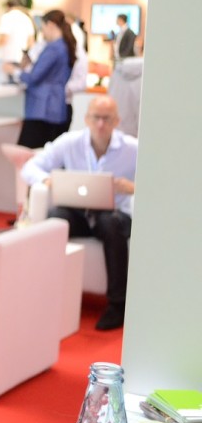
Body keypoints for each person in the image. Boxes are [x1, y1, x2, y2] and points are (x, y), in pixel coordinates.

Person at [21, 95, 136, 331]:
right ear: (87, 119)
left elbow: (159, 181)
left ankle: (118, 304)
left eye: (107, 119)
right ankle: (41, 293)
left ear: (117, 121)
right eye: (96, 118)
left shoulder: (132, 149)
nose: (101, 124)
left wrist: (132, 188)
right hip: (79, 212)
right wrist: (47, 179)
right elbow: (30, 167)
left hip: (115, 214)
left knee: (111, 223)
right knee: (55, 219)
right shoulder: (70, 142)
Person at [5, 9, 76, 149]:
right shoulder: (64, 46)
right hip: (53, 107)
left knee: (27, 152)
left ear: (50, 25)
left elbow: (34, 77)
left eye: (43, 29)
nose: (43, 33)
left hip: (42, 108)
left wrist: (14, 71)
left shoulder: (54, 48)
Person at [0, 0, 36, 84]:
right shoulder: (26, 18)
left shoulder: (7, 17)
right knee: (18, 87)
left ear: (8, 7)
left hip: (8, 60)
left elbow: (4, 39)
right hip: (22, 60)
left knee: (5, 86)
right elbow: (31, 42)